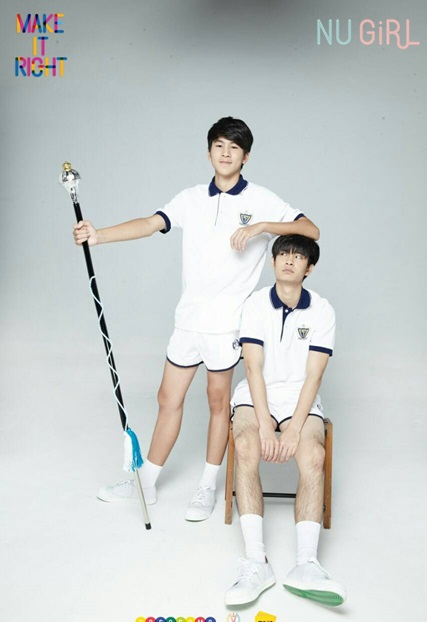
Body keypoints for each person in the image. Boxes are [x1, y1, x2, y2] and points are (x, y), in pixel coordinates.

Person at [73, 117, 319, 522]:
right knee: (167, 399)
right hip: (188, 320)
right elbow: (150, 224)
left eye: (234, 148)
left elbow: (311, 230)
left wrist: (262, 226)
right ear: (209, 152)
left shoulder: (260, 198)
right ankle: (147, 482)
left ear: (246, 157)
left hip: (227, 326)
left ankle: (207, 486)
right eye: (219, 145)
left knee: (218, 403)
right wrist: (99, 236)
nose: (226, 153)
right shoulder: (190, 198)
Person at [225, 234, 346, 606]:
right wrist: (264, 423)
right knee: (246, 446)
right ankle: (256, 562)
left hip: (300, 398)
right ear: (273, 261)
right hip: (256, 394)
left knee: (313, 456)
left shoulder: (322, 310)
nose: (289, 260)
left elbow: (314, 376)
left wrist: (293, 429)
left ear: (310, 268)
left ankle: (306, 564)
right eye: (282, 254)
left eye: (298, 256)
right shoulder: (255, 304)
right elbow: (252, 367)